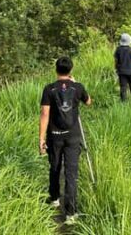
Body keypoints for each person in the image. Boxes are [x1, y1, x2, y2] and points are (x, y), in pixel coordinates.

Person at [39, 56, 92, 224]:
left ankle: (54, 198)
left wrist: (41, 139)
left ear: (56, 70)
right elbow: (89, 102)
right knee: (71, 172)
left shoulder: (49, 89)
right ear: (71, 70)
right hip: (73, 136)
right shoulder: (77, 87)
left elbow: (44, 114)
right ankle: (70, 213)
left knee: (54, 167)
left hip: (54, 136)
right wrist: (76, 83)